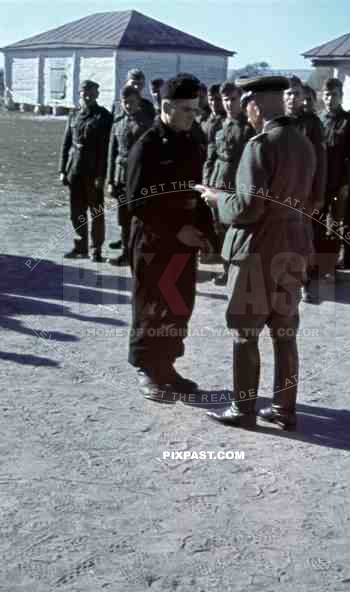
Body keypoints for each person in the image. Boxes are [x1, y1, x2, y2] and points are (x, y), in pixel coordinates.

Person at [198, 75, 316, 431]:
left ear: (254, 104)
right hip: (293, 246)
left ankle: (243, 408)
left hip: (258, 251)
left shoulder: (261, 144)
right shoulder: (304, 143)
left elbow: (248, 208)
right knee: (285, 332)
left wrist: (217, 199)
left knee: (244, 331)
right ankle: (284, 408)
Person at [126, 75, 217, 400]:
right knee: (152, 304)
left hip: (184, 239)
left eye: (196, 109)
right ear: (166, 107)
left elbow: (197, 190)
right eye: (187, 110)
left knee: (178, 305)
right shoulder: (147, 145)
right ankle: (147, 368)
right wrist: (177, 230)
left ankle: (166, 365)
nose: (194, 115)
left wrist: (207, 235)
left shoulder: (192, 139)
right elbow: (137, 202)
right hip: (153, 239)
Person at [203, 81, 254, 285]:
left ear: (240, 100)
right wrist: (206, 181)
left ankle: (236, 269)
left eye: (233, 99)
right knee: (219, 227)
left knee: (236, 227)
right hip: (218, 178)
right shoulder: (218, 124)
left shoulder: (248, 126)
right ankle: (226, 268)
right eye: (225, 100)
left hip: (237, 181)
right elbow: (210, 155)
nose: (229, 104)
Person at [283, 76, 327, 302]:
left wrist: (318, 194)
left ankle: (309, 281)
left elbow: (321, 161)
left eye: (296, 93)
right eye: (288, 93)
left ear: (303, 97)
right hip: (282, 192)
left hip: (305, 192)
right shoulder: (278, 121)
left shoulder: (312, 123)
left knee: (304, 237)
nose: (292, 97)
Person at [59, 80, 113, 261]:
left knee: (96, 212)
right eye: (84, 92)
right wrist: (62, 170)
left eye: (91, 93)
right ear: (79, 94)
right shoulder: (73, 115)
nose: (87, 96)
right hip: (74, 171)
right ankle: (80, 247)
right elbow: (66, 144)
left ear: (97, 95)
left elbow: (106, 149)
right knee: (76, 212)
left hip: (93, 172)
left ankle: (96, 250)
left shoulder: (104, 116)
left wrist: (101, 175)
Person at [107, 86, 151, 266]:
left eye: (131, 102)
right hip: (121, 176)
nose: (128, 105)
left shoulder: (147, 123)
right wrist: (110, 180)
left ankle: (140, 254)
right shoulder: (117, 122)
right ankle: (126, 252)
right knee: (123, 219)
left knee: (139, 218)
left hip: (139, 177)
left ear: (138, 102)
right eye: (125, 102)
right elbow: (112, 153)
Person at [320, 78, 350, 273]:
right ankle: (318, 260)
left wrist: (347, 184)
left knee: (335, 224)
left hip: (339, 182)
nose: (330, 99)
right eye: (327, 95)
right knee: (317, 221)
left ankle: (331, 264)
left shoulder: (349, 121)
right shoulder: (319, 119)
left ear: (341, 97)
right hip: (320, 182)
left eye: (334, 95)